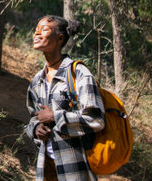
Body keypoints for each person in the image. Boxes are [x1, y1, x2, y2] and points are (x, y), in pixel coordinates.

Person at [25, 15, 105, 181]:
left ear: (60, 38)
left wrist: (55, 116)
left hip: (74, 170)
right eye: (36, 30)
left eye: (44, 29)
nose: (37, 34)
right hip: (46, 169)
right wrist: (35, 129)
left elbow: (96, 119)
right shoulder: (37, 80)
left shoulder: (78, 73)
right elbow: (33, 118)